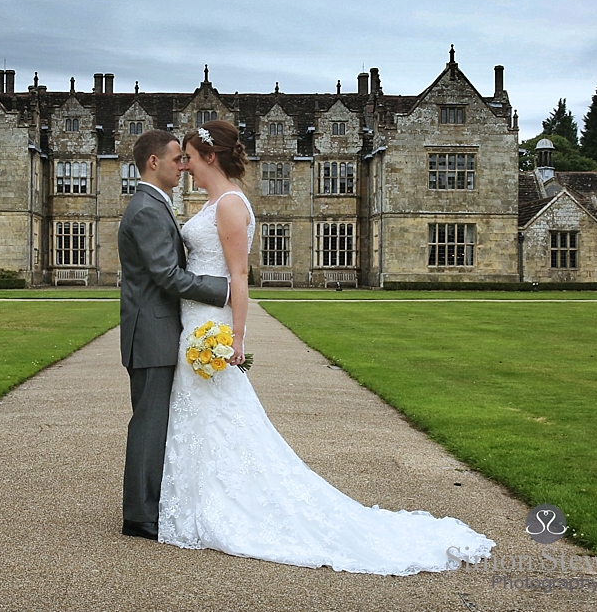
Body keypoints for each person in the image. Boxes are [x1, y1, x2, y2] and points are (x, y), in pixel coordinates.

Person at [157, 120, 495, 575]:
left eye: (191, 159)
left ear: (209, 157)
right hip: (194, 320)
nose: (187, 168)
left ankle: (225, 505)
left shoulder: (231, 205)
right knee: (203, 415)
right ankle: (200, 498)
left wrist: (237, 338)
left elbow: (240, 276)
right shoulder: (215, 202)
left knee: (218, 414)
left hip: (209, 325)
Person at [117, 129, 230, 541]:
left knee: (155, 421)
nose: (184, 166)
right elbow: (165, 274)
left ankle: (149, 507)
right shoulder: (147, 209)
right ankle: (140, 517)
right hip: (151, 333)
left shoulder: (155, 204)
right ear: (153, 162)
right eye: (176, 159)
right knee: (149, 423)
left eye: (185, 159)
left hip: (158, 330)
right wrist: (222, 290)